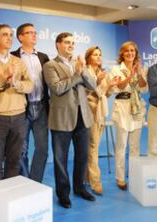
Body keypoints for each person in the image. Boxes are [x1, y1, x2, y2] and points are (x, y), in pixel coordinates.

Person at [43, 32, 97, 209]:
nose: (71, 45)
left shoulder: (78, 64)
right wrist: (76, 75)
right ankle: (63, 194)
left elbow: (92, 86)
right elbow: (58, 88)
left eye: (73, 43)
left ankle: (80, 188)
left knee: (82, 157)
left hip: (83, 117)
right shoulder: (50, 65)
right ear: (58, 44)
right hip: (62, 119)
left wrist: (82, 71)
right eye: (67, 42)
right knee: (61, 159)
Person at [0, 24, 34, 182]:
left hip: (18, 116)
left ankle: (9, 197)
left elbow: (30, 85)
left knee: (14, 160)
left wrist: (16, 84)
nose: (9, 38)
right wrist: (4, 76)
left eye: (11, 35)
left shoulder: (18, 61)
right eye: (5, 35)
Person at [11, 23, 50, 182]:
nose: (34, 35)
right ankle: (25, 182)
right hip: (22, 108)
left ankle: (36, 182)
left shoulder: (43, 57)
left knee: (42, 149)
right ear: (20, 37)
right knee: (21, 150)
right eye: (29, 33)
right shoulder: (13, 56)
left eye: (35, 32)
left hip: (41, 107)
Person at [109, 41, 147, 191]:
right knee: (122, 146)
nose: (130, 53)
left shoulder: (141, 69)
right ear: (122, 54)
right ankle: (120, 178)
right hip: (122, 108)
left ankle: (135, 175)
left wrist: (138, 74)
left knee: (135, 147)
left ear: (135, 53)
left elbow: (143, 88)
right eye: (127, 51)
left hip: (137, 108)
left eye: (132, 51)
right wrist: (130, 75)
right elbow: (118, 87)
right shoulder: (116, 69)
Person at [84, 46, 117, 195]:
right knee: (93, 147)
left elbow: (105, 95)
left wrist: (110, 87)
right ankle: (95, 182)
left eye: (100, 55)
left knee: (92, 147)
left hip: (101, 113)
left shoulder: (102, 73)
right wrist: (98, 82)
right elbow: (87, 93)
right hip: (89, 112)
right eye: (95, 54)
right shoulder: (85, 72)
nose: (98, 57)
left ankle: (85, 178)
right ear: (89, 57)